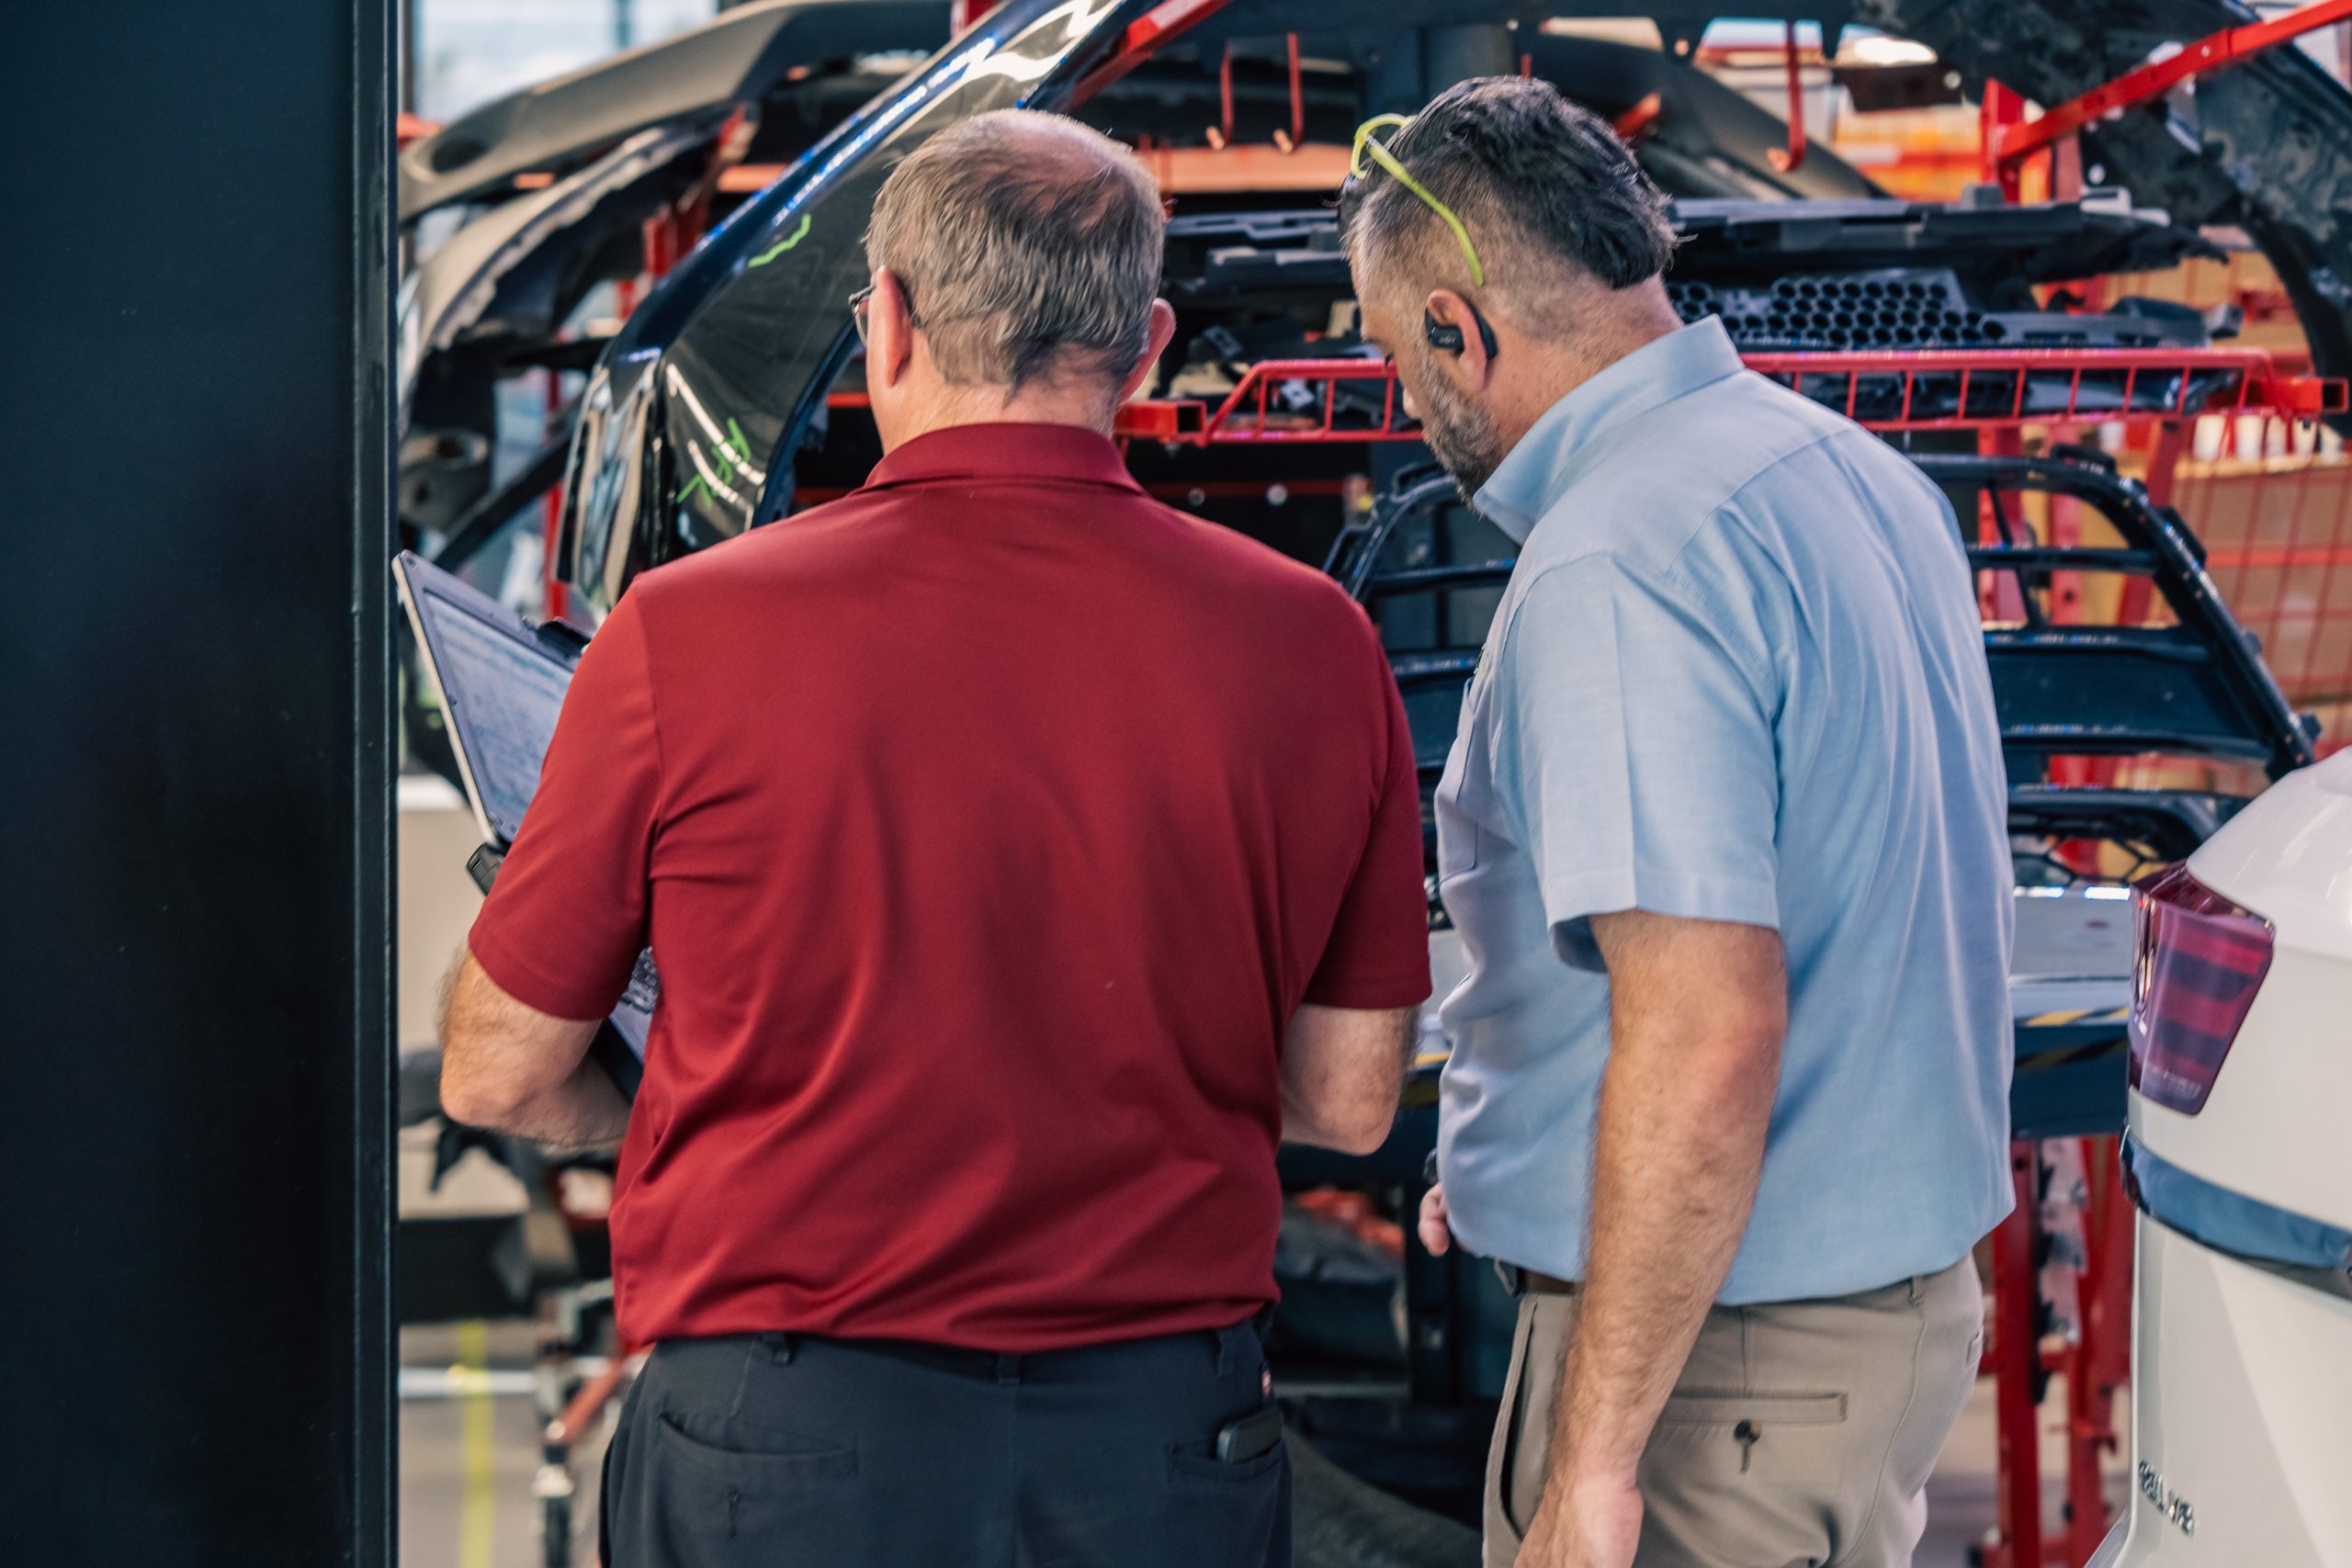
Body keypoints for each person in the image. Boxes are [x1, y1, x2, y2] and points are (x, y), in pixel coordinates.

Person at [437, 108, 1432, 1568]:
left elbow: (496, 1069)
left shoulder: (686, 633)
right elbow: (1349, 1104)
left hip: (781, 1455)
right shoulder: (1315, 645)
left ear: (885, 324)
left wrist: (714, 1100)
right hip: (1159, 1452)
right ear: (1146, 341)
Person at [1339, 78, 2013, 1568]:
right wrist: (1522, 1147)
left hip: (1722, 1380)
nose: (1405, 397)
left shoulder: (1620, 561)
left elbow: (1709, 1029)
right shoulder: (1853, 477)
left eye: (1399, 355)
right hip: (1873, 1331)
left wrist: (1590, 1469)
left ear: (1464, 327)